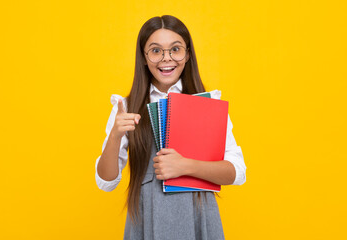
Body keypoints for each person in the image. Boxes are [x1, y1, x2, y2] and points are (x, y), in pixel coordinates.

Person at [95, 15, 246, 240]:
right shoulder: (126, 107)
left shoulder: (207, 103)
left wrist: (185, 166)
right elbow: (106, 182)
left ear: (187, 54)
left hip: (198, 216)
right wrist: (115, 135)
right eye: (156, 51)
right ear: (144, 58)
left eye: (175, 49)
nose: (166, 59)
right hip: (147, 218)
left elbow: (237, 172)